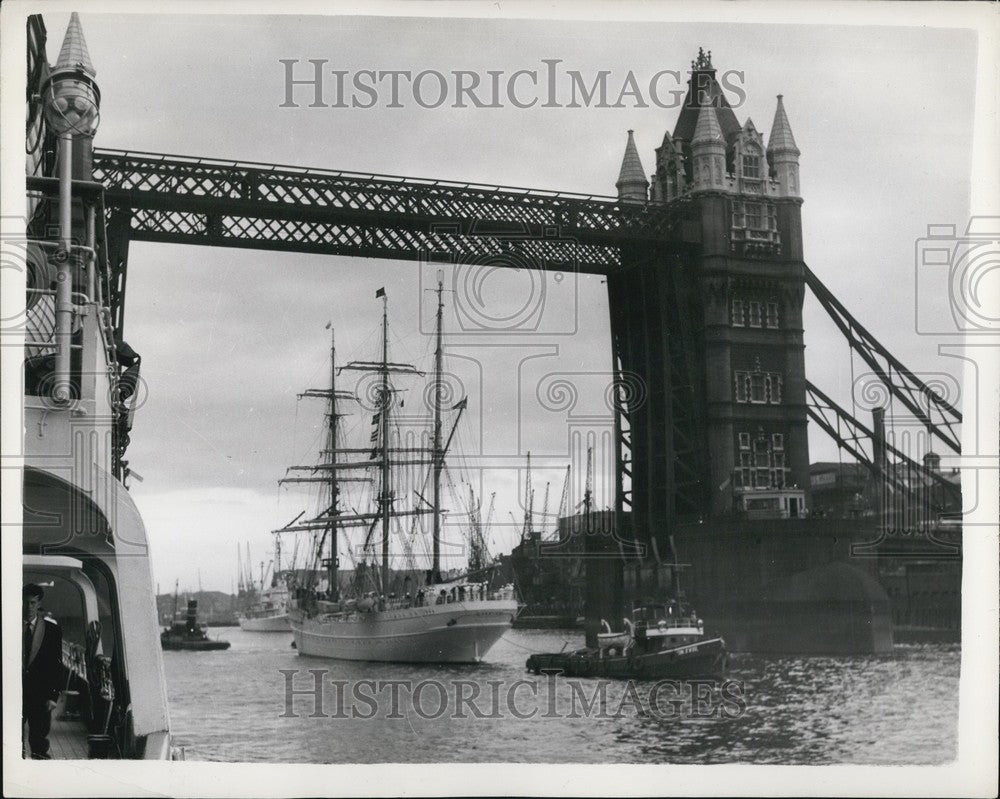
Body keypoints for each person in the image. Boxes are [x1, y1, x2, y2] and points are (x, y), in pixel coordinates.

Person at [23, 583, 64, 759]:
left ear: (39, 604)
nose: (28, 607)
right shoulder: (7, 627)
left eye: (32, 603)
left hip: (40, 695)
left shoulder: (52, 630)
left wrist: (54, 696)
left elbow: (57, 664)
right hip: (14, 695)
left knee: (39, 741)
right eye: (25, 603)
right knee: (10, 741)